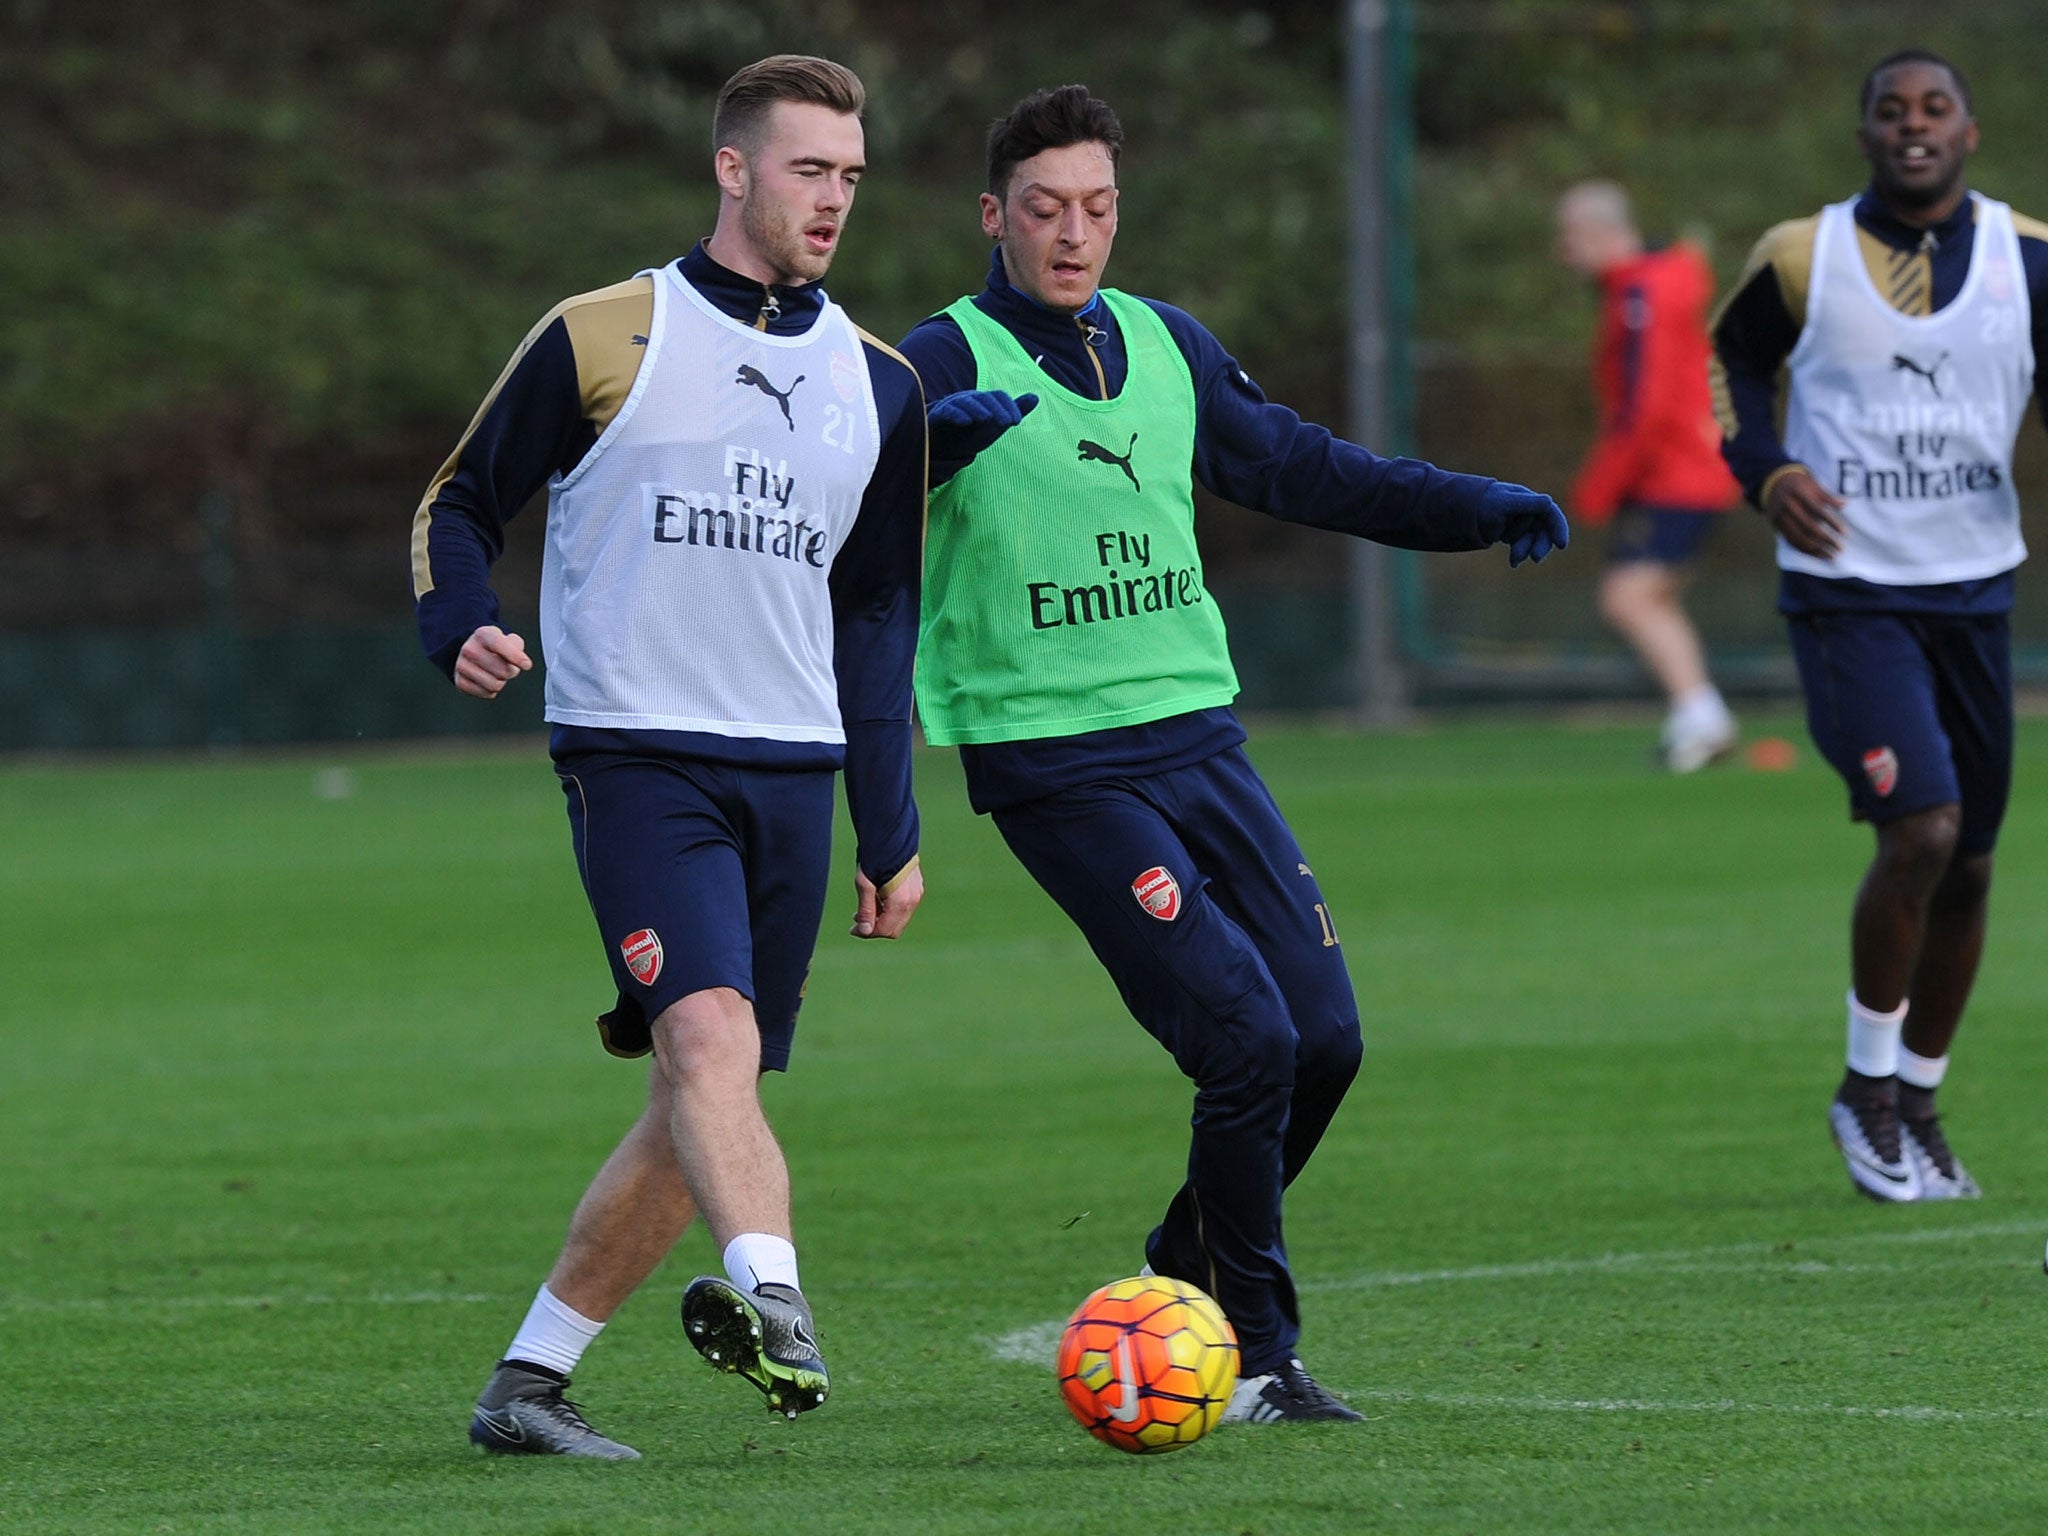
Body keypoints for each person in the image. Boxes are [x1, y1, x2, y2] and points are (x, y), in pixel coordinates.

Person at [899, 85, 1566, 1423]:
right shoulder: (942, 356)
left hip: (1198, 737)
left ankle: (1178, 1262)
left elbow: (1305, 469)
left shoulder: (1165, 343)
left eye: (1096, 207)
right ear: (994, 217)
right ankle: (1259, 1357)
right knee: (1248, 1037)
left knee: (1326, 1039)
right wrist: (913, 449)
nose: (1074, 232)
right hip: (1055, 759)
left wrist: (1468, 504)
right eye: (1045, 209)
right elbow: (838, 488)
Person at [410, 55, 927, 1456]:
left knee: (704, 1094)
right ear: (733, 167)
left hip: (795, 774)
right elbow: (460, 502)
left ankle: (528, 1384)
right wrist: (460, 622)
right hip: (638, 756)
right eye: (810, 169)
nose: (834, 199)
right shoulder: (605, 330)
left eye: (851, 177)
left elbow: (879, 617)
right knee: (706, 1040)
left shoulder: (878, 386)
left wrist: (892, 825)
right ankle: (779, 1299)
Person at [1712, 49, 2048, 1202]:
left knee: (1972, 864)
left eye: (1934, 108)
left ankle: (1915, 1096)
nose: (1913, 126)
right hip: (1847, 593)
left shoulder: (2027, 258)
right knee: (1921, 831)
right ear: (1862, 132)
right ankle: (1862, 1090)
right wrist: (1765, 472)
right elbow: (1729, 368)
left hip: (1975, 595)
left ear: (1968, 130)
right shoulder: (1800, 255)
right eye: (1890, 110)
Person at [1555, 180, 1744, 770]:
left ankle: (1702, 716)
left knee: (1629, 596)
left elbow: (1646, 403)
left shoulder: (1643, 295)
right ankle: (1699, 717)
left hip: (1677, 471)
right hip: (1687, 466)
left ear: (1597, 233)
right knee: (1649, 596)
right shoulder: (1649, 286)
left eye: (1568, 239)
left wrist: (1600, 484)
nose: (1564, 254)